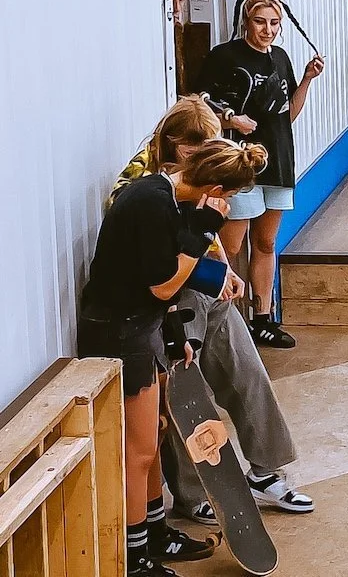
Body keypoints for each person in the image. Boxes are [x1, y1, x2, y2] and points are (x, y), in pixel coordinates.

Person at [108, 96, 315, 527]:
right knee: (189, 392)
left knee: (247, 369)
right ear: (172, 141)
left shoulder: (204, 172)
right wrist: (203, 268)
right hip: (171, 297)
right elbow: (158, 263)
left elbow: (209, 223)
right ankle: (191, 490)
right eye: (193, 146)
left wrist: (222, 268)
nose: (200, 154)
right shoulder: (141, 184)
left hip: (205, 284)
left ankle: (265, 467)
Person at [79, 138, 268, 577]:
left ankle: (155, 532)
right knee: (139, 451)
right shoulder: (151, 203)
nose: (228, 208)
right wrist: (203, 231)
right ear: (216, 188)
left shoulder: (168, 200)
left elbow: (157, 285)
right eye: (231, 197)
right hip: (117, 333)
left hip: (140, 327)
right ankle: (133, 557)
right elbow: (163, 285)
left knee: (158, 433)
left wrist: (173, 333)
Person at [195, 0, 325, 348]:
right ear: (246, 22)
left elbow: (288, 115)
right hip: (240, 164)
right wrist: (230, 118)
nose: (267, 30)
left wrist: (308, 81)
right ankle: (226, 322)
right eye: (260, 22)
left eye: (273, 23)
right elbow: (198, 101)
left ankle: (262, 317)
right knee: (232, 244)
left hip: (277, 160)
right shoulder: (225, 56)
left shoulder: (281, 58)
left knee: (266, 242)